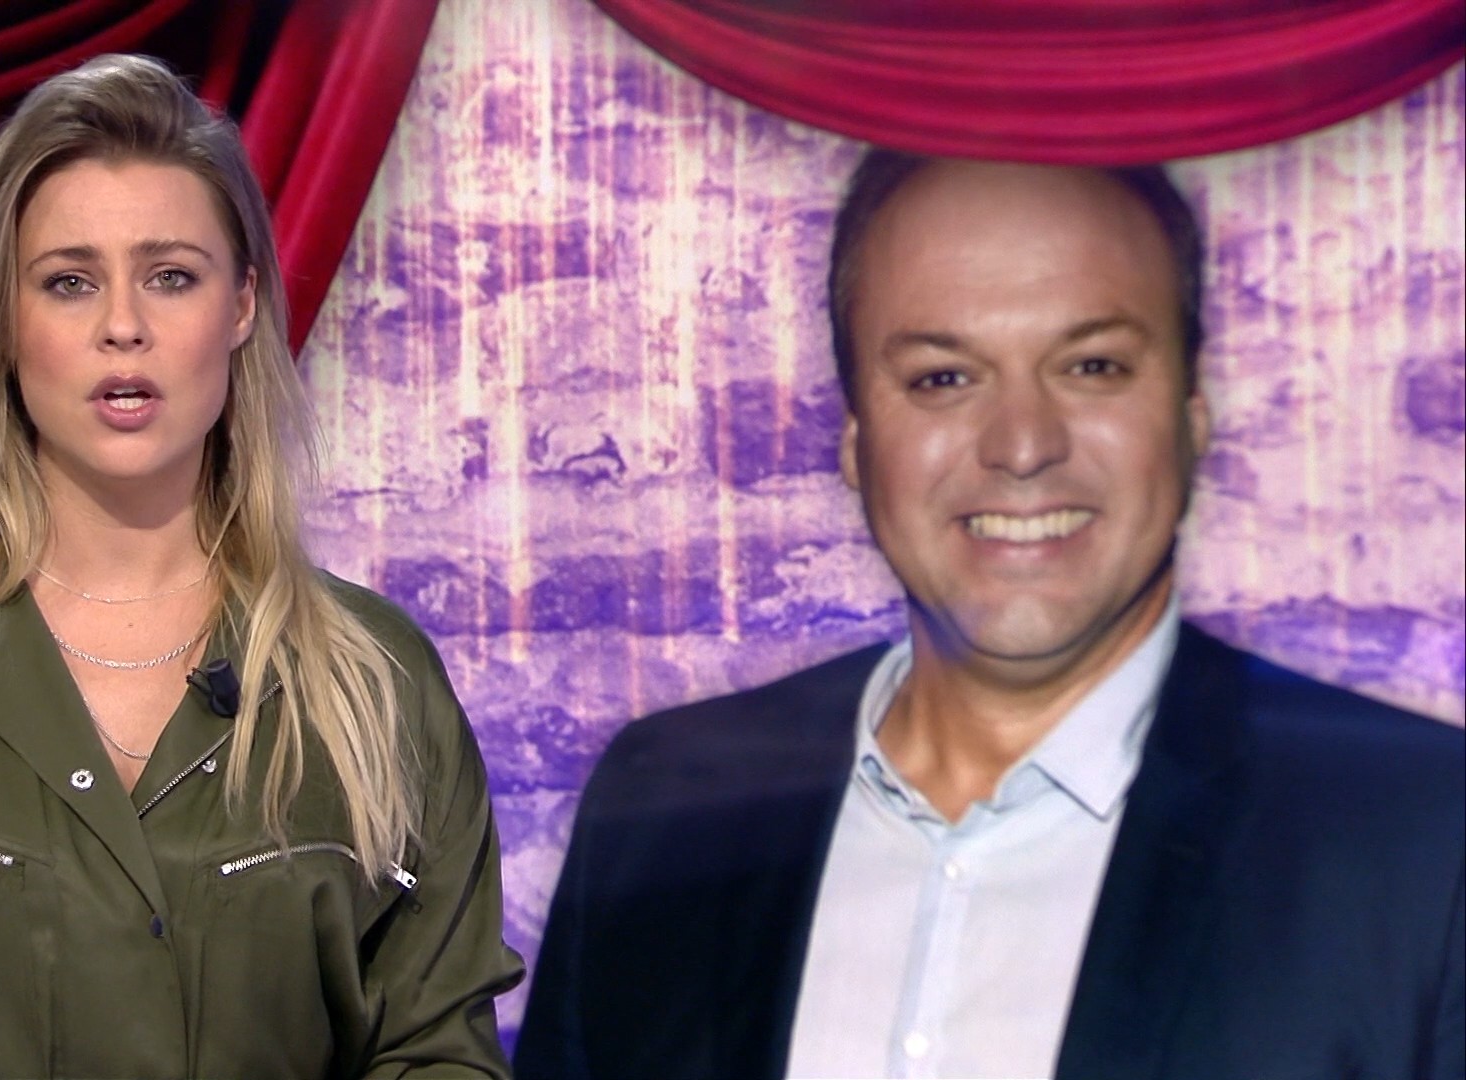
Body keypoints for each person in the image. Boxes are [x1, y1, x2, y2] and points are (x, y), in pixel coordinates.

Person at [514, 150, 1464, 1079]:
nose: (1022, 445)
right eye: (943, 377)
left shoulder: (1423, 841)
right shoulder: (663, 808)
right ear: (854, 441)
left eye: (1091, 366)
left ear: (1192, 415)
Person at [0, 54, 522, 1078]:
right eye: (70, 282)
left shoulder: (375, 681)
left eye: (171, 277)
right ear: (3, 317)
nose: (124, 326)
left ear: (242, 304)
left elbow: (439, 1053)